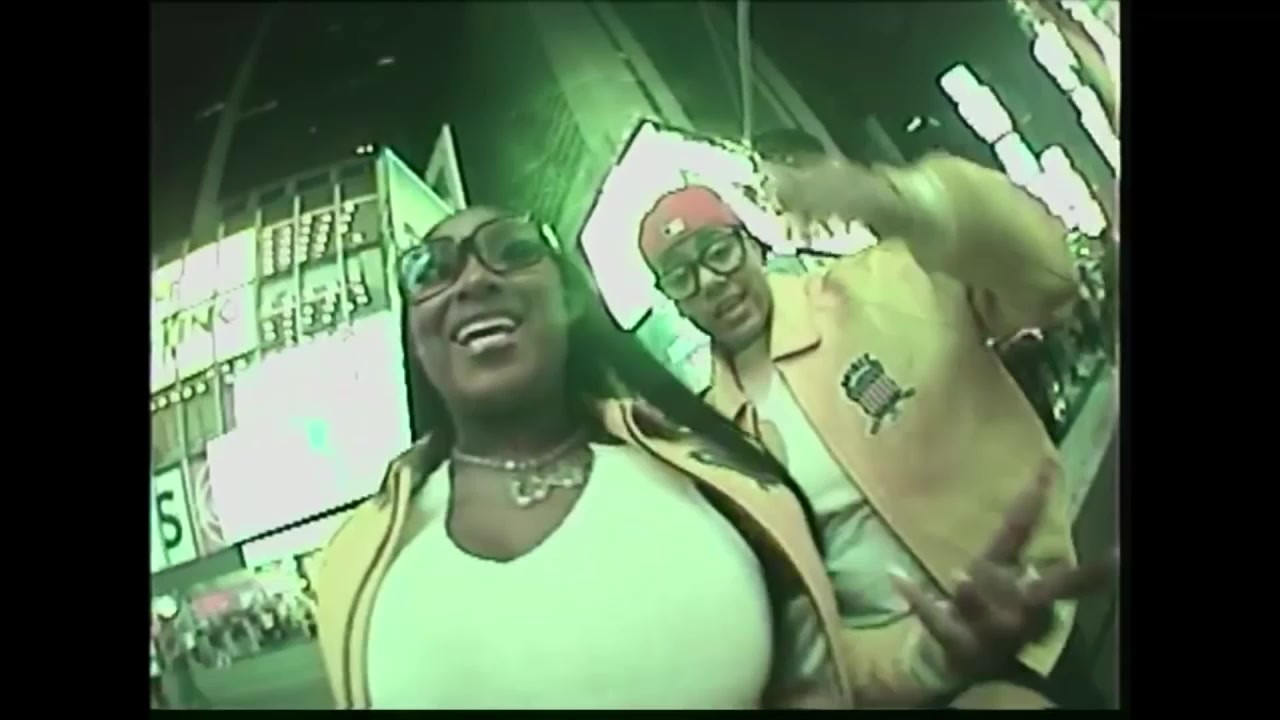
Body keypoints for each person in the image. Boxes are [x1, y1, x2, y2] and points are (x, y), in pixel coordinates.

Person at [636, 130, 1115, 708]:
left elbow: (1048, 278)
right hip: (903, 685)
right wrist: (910, 665)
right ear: (674, 301)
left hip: (1028, 623)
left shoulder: (882, 288)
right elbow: (795, 611)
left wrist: (901, 200)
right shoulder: (715, 441)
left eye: (718, 251)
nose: (710, 281)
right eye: (682, 276)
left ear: (752, 245)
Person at [314, 206, 853, 710]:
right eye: (431, 271)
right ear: (414, 336)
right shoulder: (355, 566)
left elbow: (815, 681)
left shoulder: (719, 480)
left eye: (514, 250)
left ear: (571, 300)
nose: (474, 280)